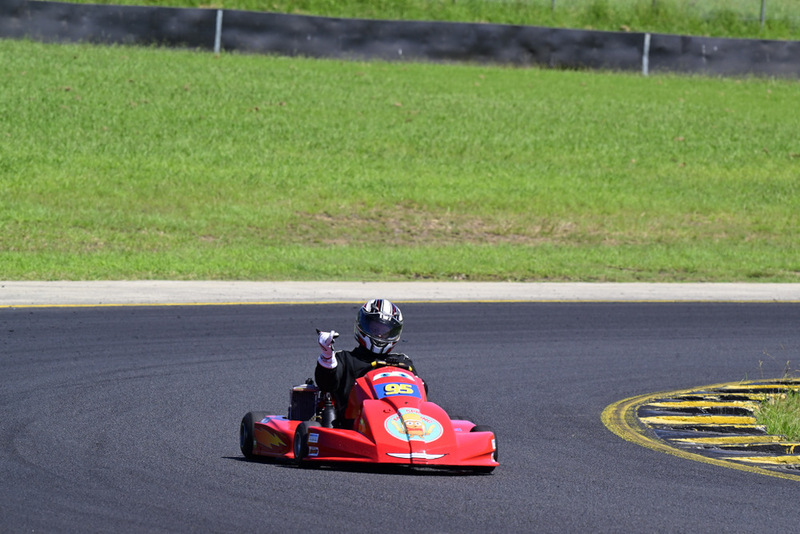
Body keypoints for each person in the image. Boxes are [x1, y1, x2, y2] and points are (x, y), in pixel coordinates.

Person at [315, 299, 418, 425]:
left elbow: (421, 393)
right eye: (375, 329)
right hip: (354, 427)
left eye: (385, 331)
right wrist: (326, 356)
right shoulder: (345, 359)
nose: (379, 335)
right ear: (362, 325)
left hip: (397, 425)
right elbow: (326, 384)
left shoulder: (403, 362)